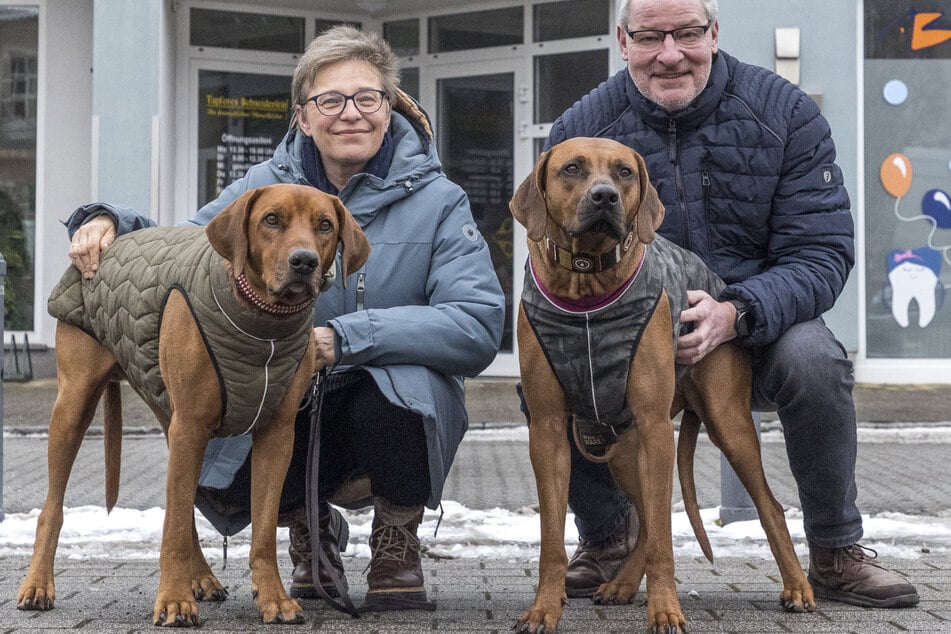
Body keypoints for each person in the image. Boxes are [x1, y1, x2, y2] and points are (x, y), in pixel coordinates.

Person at [65, 25, 505, 611]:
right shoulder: (261, 187)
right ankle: (307, 531)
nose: (350, 114)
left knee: (403, 392)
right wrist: (109, 219)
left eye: (367, 98)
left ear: (389, 107)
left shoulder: (440, 200)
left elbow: (477, 324)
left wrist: (346, 338)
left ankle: (396, 539)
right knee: (270, 394)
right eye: (330, 100)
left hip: (382, 400)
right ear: (303, 116)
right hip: (287, 391)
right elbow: (190, 247)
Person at [543, 0, 919, 609]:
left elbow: (821, 254)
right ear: (623, 40)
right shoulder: (583, 124)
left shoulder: (785, 114)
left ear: (714, 33)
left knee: (815, 362)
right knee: (557, 372)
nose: (671, 53)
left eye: (688, 33)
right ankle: (608, 540)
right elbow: (553, 247)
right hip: (625, 327)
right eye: (650, 36)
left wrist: (735, 312)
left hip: (754, 325)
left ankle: (834, 550)